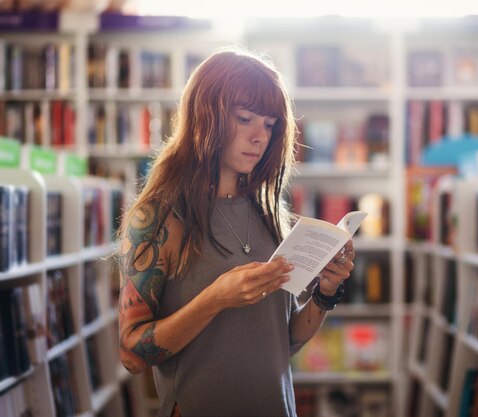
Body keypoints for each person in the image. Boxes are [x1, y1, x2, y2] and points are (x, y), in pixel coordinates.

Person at [116, 46, 356, 417]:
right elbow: (132, 355)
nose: (260, 136)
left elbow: (284, 341)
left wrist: (326, 291)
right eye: (245, 119)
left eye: (270, 124)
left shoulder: (270, 214)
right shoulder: (161, 218)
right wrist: (215, 298)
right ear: (204, 118)